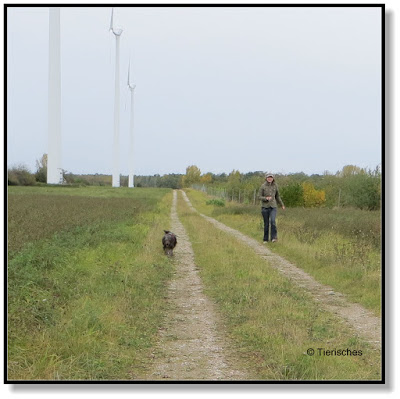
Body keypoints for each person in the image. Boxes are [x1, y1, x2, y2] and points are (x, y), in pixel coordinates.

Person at [258, 173, 285, 243]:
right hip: (265, 207)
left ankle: (274, 238)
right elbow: (259, 196)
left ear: (273, 178)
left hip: (273, 206)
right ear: (266, 178)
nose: (270, 179)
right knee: (266, 223)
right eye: (268, 177)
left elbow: (277, 196)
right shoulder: (263, 186)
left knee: (273, 221)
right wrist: (266, 198)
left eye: (271, 177)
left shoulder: (275, 186)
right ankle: (265, 239)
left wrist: (282, 204)